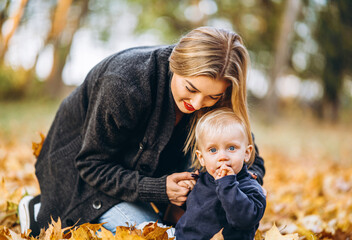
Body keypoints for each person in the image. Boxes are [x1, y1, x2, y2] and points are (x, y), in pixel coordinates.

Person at [18, 26, 265, 236]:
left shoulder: (220, 93)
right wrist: (158, 189)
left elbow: (251, 158)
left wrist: (243, 180)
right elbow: (90, 164)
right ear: (175, 63)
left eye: (212, 96)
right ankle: (41, 209)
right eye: (190, 88)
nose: (198, 104)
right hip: (82, 178)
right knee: (162, 236)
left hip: (145, 173)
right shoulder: (125, 84)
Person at [175, 108, 266, 240]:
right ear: (201, 158)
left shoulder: (250, 188)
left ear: (247, 153)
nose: (222, 156)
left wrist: (228, 185)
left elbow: (244, 220)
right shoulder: (202, 180)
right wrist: (186, 193)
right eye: (213, 150)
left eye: (231, 148)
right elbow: (198, 213)